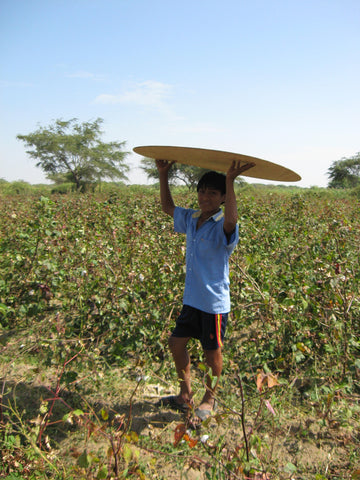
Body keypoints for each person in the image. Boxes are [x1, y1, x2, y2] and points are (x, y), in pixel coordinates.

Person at [156, 158, 254, 424]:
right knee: (176, 343)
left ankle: (209, 399)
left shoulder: (224, 224)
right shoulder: (192, 218)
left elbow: (232, 219)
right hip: (192, 299)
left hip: (213, 303)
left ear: (223, 197)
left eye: (212, 193)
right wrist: (163, 173)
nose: (204, 197)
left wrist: (231, 180)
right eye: (201, 191)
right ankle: (184, 394)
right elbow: (167, 207)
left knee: (212, 353)